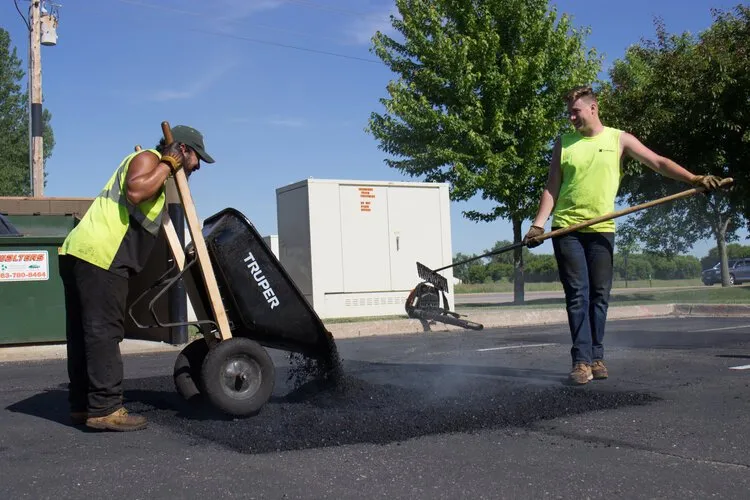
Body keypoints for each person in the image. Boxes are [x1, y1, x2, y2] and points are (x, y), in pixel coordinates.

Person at [523, 86, 722, 385]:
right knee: (578, 294)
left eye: (575, 111)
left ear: (593, 108)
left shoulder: (619, 139)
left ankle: (597, 357)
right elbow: (552, 186)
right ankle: (581, 362)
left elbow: (658, 162)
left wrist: (693, 178)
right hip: (567, 229)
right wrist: (539, 224)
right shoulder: (563, 143)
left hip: (602, 228)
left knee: (599, 296)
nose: (571, 117)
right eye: (569, 113)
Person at [59, 125, 215, 430]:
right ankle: (105, 407)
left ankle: (82, 406)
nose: (197, 167)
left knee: (84, 335)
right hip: (101, 255)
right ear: (182, 150)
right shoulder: (149, 158)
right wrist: (168, 164)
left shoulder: (155, 167)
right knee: (104, 332)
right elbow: (135, 191)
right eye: (196, 158)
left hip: (81, 253)